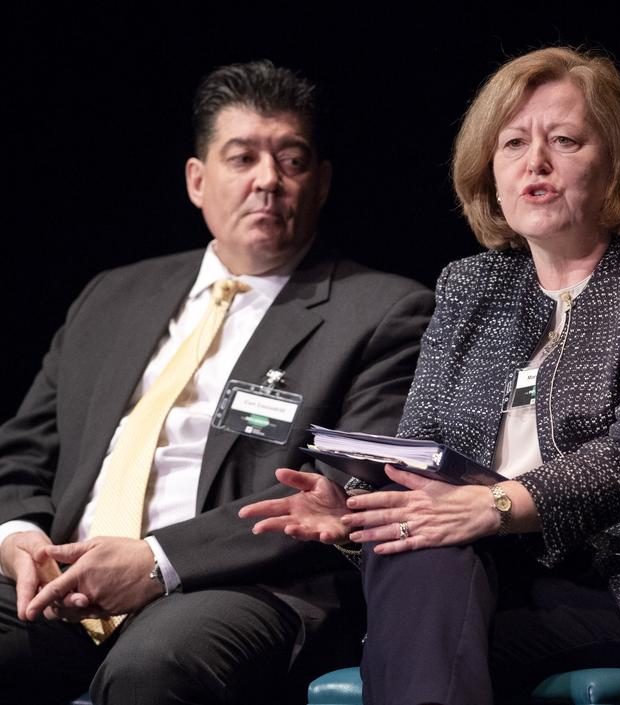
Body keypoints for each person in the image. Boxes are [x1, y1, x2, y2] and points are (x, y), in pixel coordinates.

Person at [241, 46, 620, 704]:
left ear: (616, 163)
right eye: (514, 143)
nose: (536, 163)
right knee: (418, 547)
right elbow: (423, 451)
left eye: (564, 140)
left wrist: (493, 507)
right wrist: (355, 508)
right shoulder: (474, 284)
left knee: (416, 637)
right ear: (489, 171)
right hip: (491, 573)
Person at [0, 60, 433, 705]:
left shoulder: (384, 312)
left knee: (152, 670)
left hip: (234, 586)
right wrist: (19, 539)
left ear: (321, 183)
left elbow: (345, 488)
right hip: (65, 577)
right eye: (243, 158)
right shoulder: (113, 295)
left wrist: (156, 561)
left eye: (291, 161)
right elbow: (22, 455)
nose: (268, 180)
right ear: (197, 180)